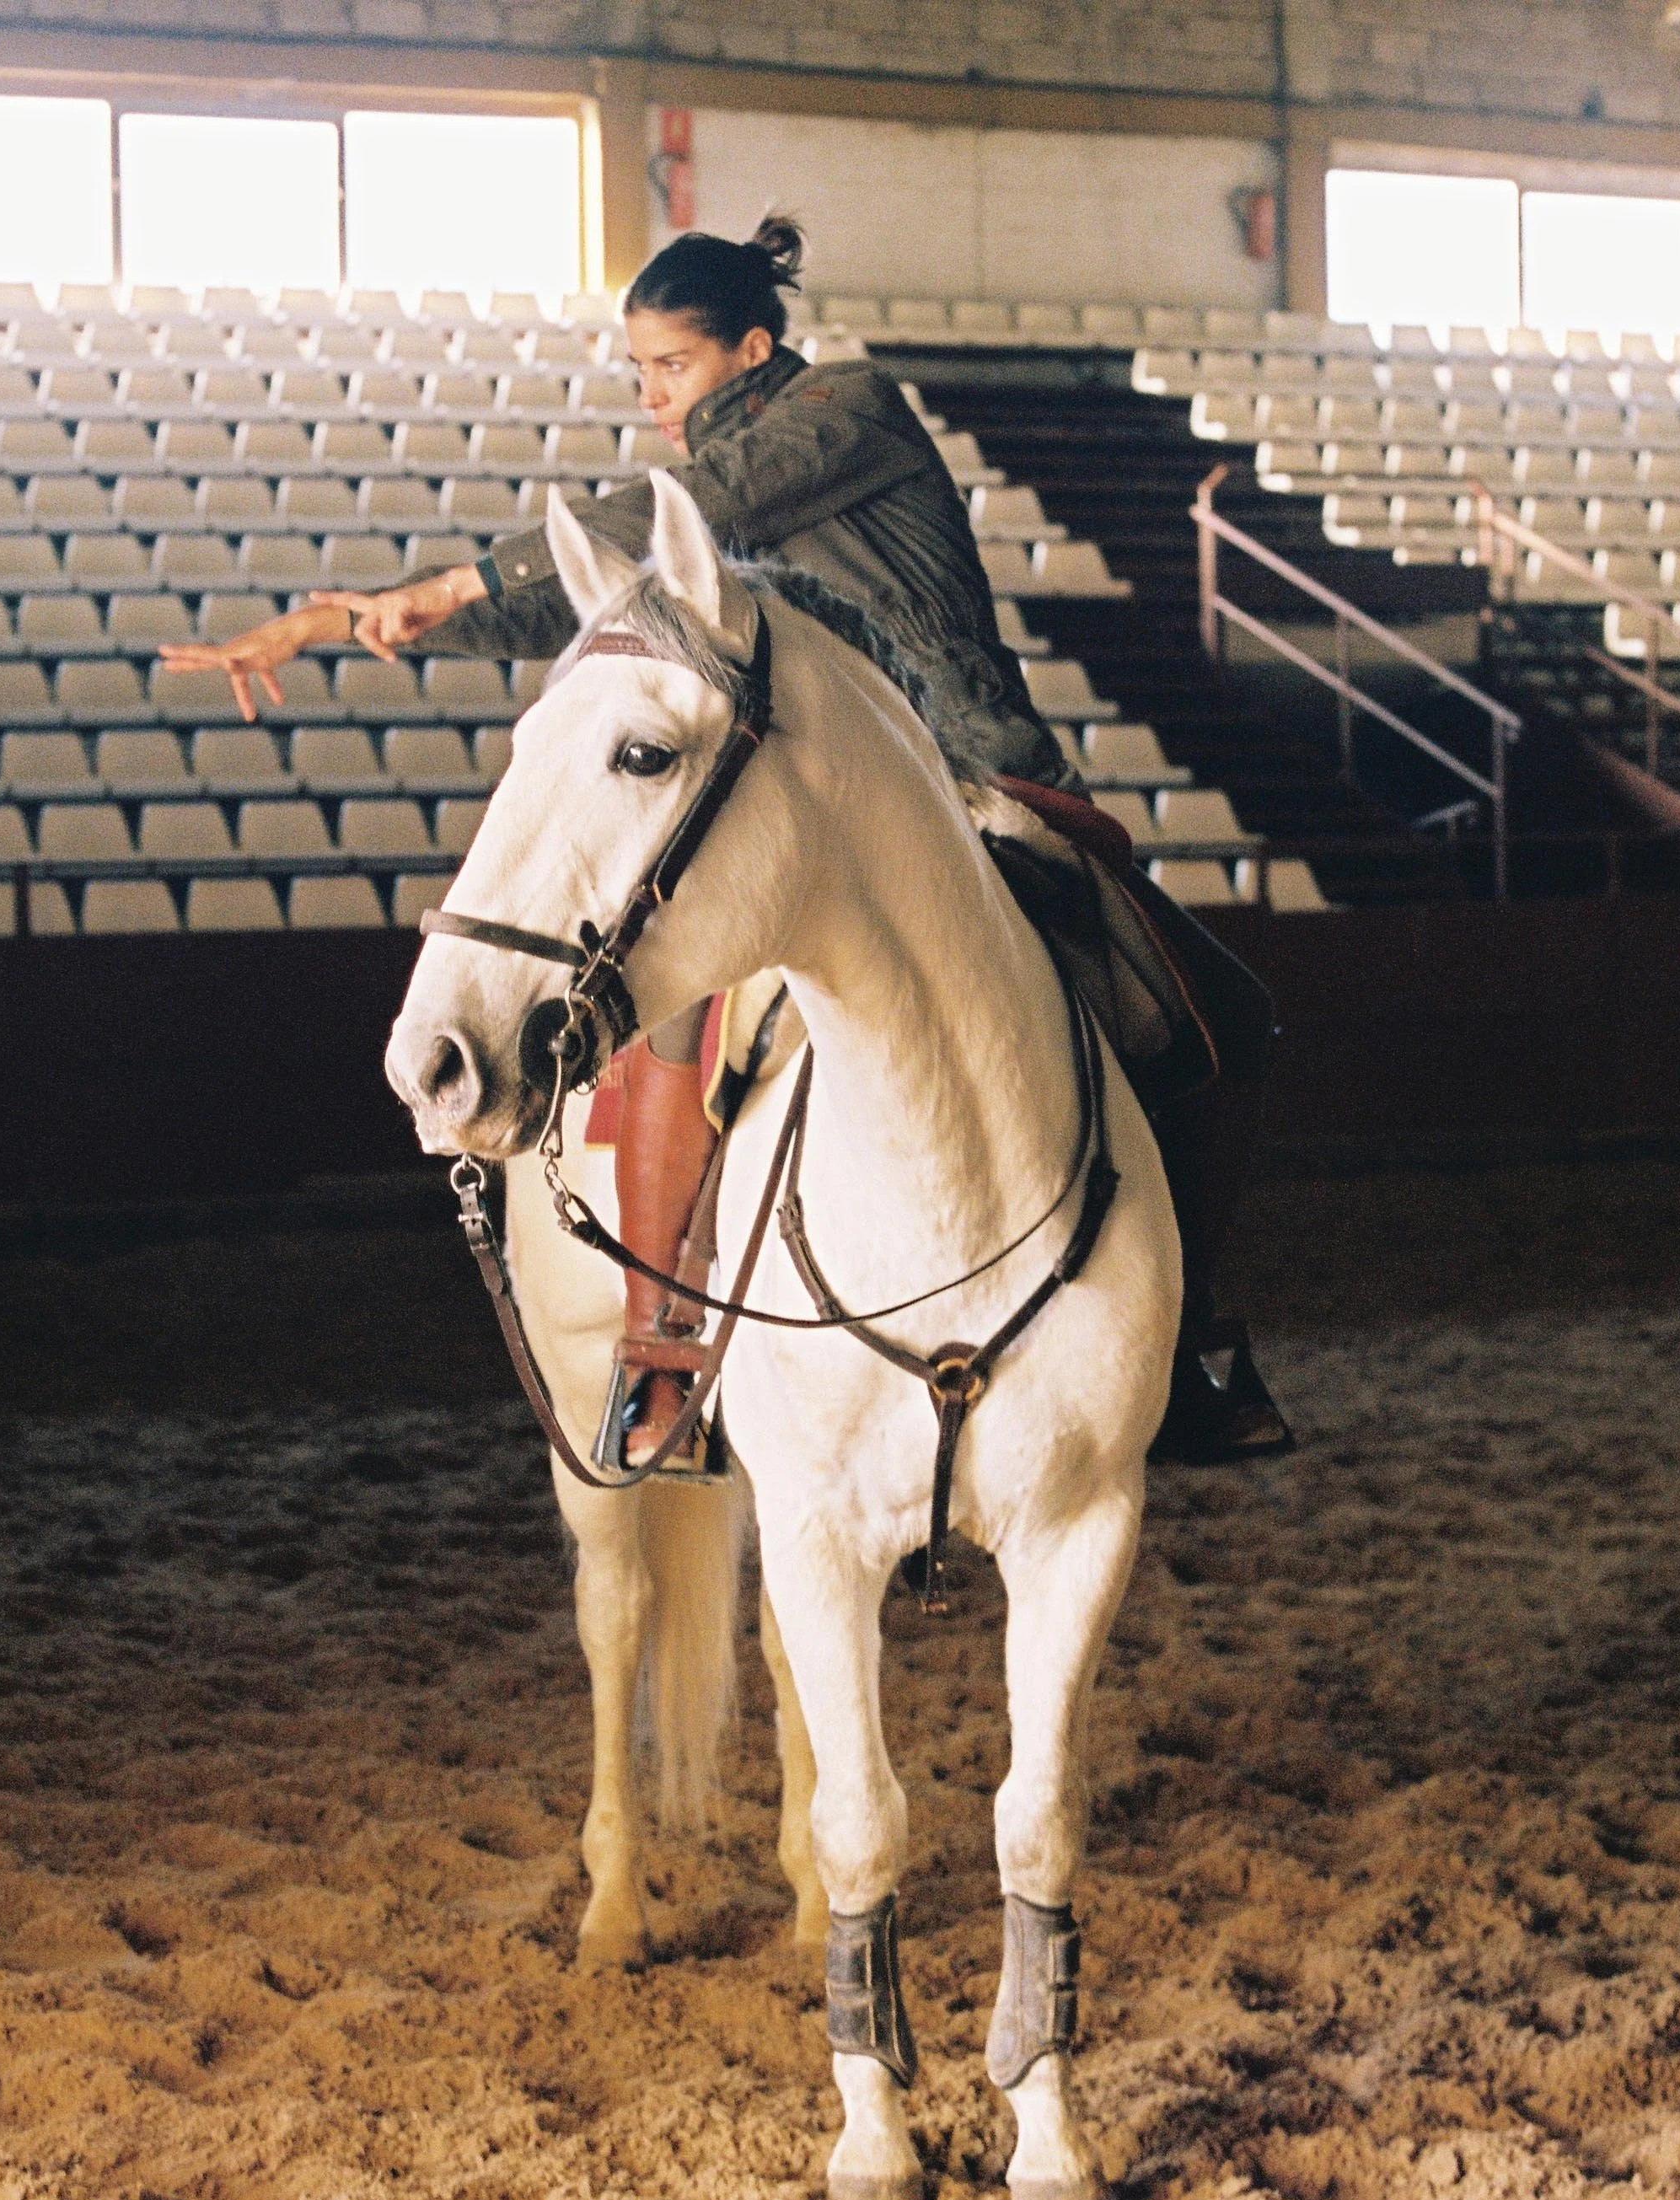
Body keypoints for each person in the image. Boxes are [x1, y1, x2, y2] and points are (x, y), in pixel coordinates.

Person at [160, 216, 1290, 1474]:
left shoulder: (852, 411)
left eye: (674, 367)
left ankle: (1167, 1342)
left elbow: (694, 502)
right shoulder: (690, 530)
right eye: (638, 369)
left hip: (980, 777)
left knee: (1223, 1016)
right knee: (671, 1013)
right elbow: (569, 590)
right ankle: (663, 1356)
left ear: (755, 347)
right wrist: (369, 614)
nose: (650, 396)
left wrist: (460, 583)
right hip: (810, 804)